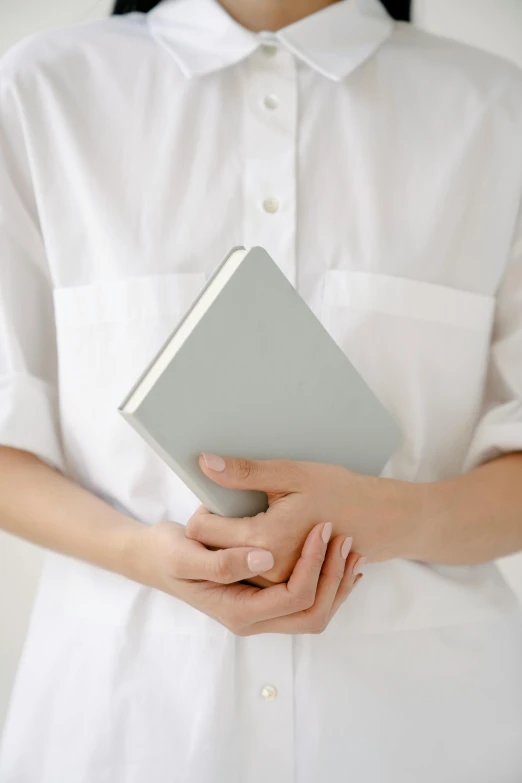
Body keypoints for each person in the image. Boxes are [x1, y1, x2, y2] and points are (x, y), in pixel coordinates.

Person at [1, 0, 522, 780]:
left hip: (424, 736)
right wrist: (141, 554)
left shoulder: (494, 110)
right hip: (128, 730)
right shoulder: (43, 91)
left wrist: (388, 517)